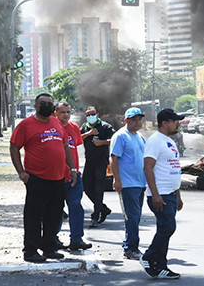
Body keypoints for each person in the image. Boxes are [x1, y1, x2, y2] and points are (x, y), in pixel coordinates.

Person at [10, 93, 77, 263]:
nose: (46, 106)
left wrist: (72, 168)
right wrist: (21, 172)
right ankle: (30, 250)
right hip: (36, 178)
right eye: (43, 103)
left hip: (58, 178)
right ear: (36, 106)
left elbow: (64, 145)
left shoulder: (56, 122)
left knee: (54, 215)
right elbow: (14, 147)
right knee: (34, 216)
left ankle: (49, 247)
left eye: (49, 103)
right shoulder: (26, 125)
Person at [140, 109, 185, 279]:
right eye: (175, 121)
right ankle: (148, 256)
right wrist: (155, 194)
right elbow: (148, 167)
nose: (178, 123)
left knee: (164, 229)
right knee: (168, 227)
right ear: (165, 123)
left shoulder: (170, 141)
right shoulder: (155, 141)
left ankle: (161, 266)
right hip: (161, 195)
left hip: (171, 194)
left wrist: (178, 195)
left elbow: (173, 168)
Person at [54, 101, 92, 251]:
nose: (66, 115)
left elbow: (74, 146)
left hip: (73, 176)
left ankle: (76, 239)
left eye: (68, 112)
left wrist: (74, 170)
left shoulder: (74, 128)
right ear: (55, 113)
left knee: (76, 207)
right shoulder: (52, 129)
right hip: (56, 176)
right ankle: (53, 238)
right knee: (56, 209)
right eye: (62, 112)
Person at [109, 107, 146, 260]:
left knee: (136, 217)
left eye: (139, 119)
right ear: (126, 120)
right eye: (134, 119)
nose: (137, 122)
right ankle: (131, 248)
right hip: (127, 183)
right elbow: (114, 158)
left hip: (139, 183)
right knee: (132, 216)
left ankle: (129, 244)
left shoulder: (140, 137)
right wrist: (117, 179)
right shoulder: (120, 136)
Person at [80, 106, 115, 228]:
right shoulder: (85, 127)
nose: (91, 116)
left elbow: (115, 139)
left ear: (97, 114)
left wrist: (102, 142)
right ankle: (103, 208)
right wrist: (88, 133)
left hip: (101, 162)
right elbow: (77, 139)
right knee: (86, 186)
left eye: (93, 114)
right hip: (89, 161)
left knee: (98, 188)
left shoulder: (105, 126)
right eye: (88, 115)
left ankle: (95, 216)